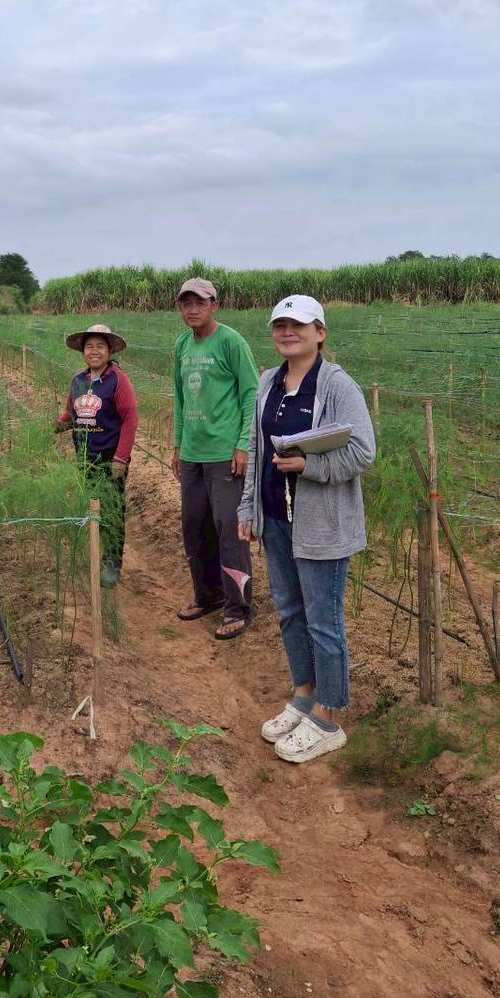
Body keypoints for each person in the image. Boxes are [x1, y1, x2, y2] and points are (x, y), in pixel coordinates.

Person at [238, 295, 375, 763]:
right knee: (290, 612)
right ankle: (303, 693)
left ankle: (329, 716)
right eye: (280, 325)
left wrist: (308, 464)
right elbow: (257, 452)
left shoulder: (338, 386)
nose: (287, 332)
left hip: (322, 524)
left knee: (324, 620)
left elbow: (362, 452)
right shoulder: (267, 382)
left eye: (297, 324)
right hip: (277, 519)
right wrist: (248, 509)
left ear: (319, 332)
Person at [172, 278, 259, 639]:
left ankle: (238, 606)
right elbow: (178, 397)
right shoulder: (181, 344)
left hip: (225, 455)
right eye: (186, 303)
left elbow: (251, 393)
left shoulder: (231, 341)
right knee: (195, 527)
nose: (192, 309)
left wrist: (243, 445)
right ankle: (207, 595)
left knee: (229, 529)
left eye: (200, 303)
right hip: (192, 454)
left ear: (214, 305)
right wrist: (177, 444)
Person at [56, 323, 138, 588]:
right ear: (82, 351)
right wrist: (57, 424)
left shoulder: (117, 380)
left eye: (100, 346)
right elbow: (71, 412)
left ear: (109, 350)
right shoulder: (79, 380)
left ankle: (112, 564)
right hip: (84, 458)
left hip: (109, 459)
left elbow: (130, 419)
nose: (94, 351)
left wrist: (120, 458)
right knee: (92, 507)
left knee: (112, 511)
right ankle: (95, 554)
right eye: (89, 346)